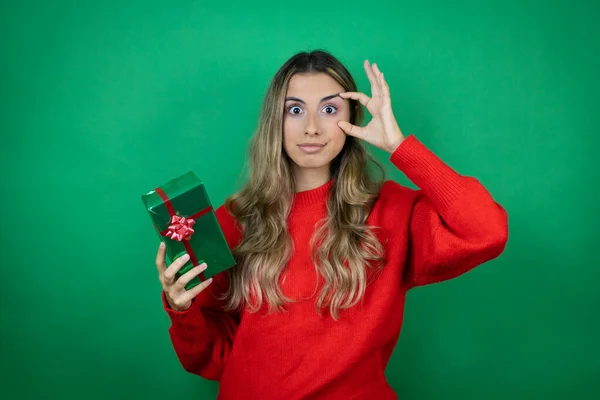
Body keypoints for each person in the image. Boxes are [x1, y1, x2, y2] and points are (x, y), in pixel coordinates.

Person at [154, 50, 508, 399]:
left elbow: (486, 230)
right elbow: (213, 358)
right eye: (294, 110)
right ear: (273, 122)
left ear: (352, 117)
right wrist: (182, 310)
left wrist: (400, 146)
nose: (311, 128)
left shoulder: (391, 211)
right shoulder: (235, 219)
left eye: (328, 109)